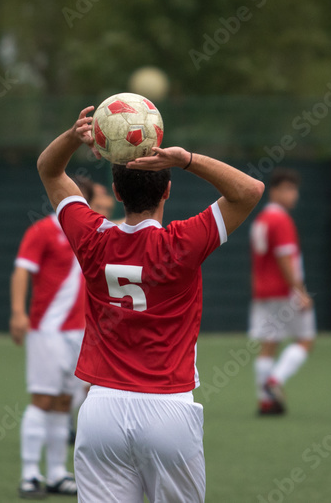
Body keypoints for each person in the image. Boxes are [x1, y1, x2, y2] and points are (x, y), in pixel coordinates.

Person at [36, 107, 264, 502]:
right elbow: (249, 191)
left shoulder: (92, 239)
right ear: (168, 190)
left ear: (117, 193)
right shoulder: (183, 242)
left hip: (100, 408)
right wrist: (186, 159)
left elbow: (50, 171)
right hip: (167, 409)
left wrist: (76, 135)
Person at [9, 174, 112, 498]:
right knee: (42, 399)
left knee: (65, 403)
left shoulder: (92, 230)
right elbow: (23, 270)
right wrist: (18, 312)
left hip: (80, 331)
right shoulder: (43, 230)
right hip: (48, 331)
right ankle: (29, 475)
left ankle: (55, 473)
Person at [248, 168, 315, 415]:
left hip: (263, 292)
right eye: (288, 189)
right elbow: (286, 259)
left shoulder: (261, 219)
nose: (293, 194)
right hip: (284, 291)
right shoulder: (281, 220)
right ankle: (274, 381)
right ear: (274, 191)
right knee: (306, 340)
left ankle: (265, 401)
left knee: (268, 345)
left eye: (294, 189)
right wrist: (301, 292)